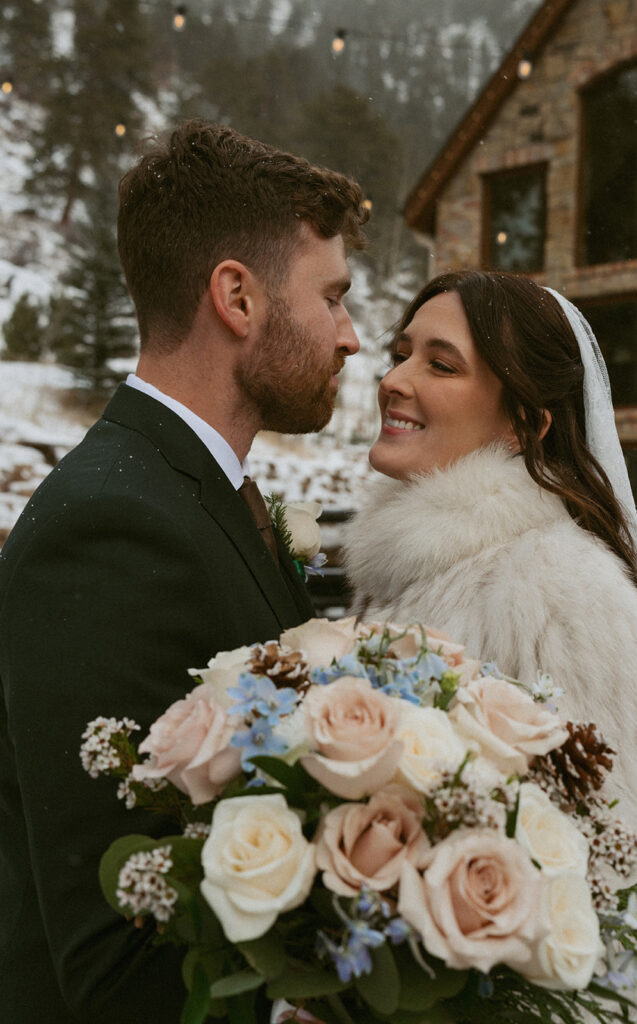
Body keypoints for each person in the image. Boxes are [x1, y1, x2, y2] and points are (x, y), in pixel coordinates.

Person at [0, 121, 368, 1023]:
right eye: (332, 298)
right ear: (237, 298)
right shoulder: (110, 526)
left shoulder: (192, 489)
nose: (352, 337)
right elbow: (120, 950)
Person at [344, 269, 637, 1022]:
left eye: (440, 364)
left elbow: (618, 896)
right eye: (400, 353)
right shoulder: (402, 573)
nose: (393, 379)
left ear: (523, 424)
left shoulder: (561, 594)